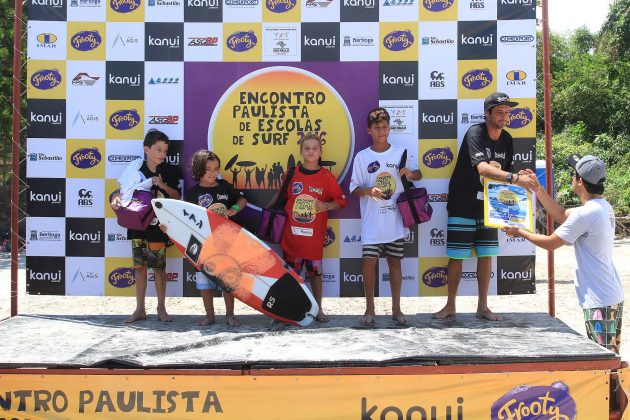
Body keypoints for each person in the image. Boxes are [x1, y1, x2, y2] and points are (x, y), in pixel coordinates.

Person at [503, 155, 623, 353]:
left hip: (599, 299)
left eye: (572, 174)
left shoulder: (587, 213)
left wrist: (519, 231)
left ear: (580, 181)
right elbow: (559, 214)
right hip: (608, 294)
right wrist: (537, 189)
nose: (571, 177)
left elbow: (551, 244)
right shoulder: (601, 206)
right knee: (609, 355)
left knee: (604, 359)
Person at [433, 92, 536, 321]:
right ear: (487, 113)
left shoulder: (508, 138)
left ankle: (483, 306)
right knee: (457, 257)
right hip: (462, 203)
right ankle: (450, 305)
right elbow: (483, 169)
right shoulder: (475, 132)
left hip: (489, 206)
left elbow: (504, 175)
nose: (504, 116)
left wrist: (519, 176)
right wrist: (514, 178)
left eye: (507, 112)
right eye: (499, 112)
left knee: (486, 255)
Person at [349, 108, 422, 325]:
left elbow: (418, 175)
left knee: (395, 265)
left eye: (385, 127)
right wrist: (368, 191)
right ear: (369, 130)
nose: (382, 131)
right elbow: (353, 188)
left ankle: (397, 310)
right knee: (368, 263)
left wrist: (410, 173)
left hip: (396, 222)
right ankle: (370, 310)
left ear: (390, 128)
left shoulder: (401, 152)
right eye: (377, 127)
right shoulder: (362, 157)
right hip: (372, 225)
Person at [268, 133, 346, 322]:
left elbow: (341, 201)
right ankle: (286, 310)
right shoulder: (291, 174)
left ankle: (318, 309)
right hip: (292, 238)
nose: (311, 151)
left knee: (315, 275)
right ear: (301, 151)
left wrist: (326, 206)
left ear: (320, 152)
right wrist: (265, 214)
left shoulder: (327, 177)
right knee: (291, 277)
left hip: (313, 240)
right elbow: (280, 199)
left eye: (315, 148)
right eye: (307, 148)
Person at [110, 129, 181, 323]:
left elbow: (177, 197)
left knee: (158, 268)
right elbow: (122, 191)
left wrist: (164, 186)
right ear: (146, 149)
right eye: (158, 150)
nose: (162, 154)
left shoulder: (170, 170)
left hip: (158, 227)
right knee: (139, 267)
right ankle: (140, 309)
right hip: (137, 226)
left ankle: (161, 308)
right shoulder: (134, 170)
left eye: (165, 151)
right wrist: (115, 199)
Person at [183, 150, 247, 327]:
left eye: (216, 169)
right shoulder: (192, 193)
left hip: (226, 243)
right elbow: (184, 218)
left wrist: (233, 208)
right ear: (198, 170)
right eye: (208, 169)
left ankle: (230, 315)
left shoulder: (224, 186)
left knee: (228, 280)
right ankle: (209, 316)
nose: (212, 173)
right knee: (205, 283)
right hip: (203, 244)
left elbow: (242, 200)